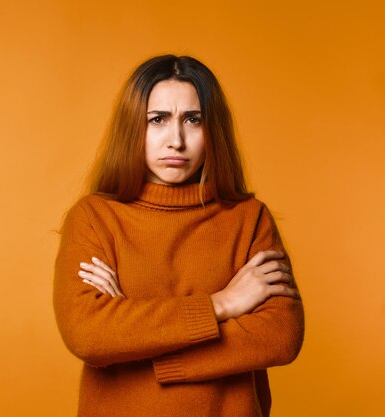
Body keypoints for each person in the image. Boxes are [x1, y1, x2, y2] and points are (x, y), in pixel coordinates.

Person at [52, 55, 305, 417]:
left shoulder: (249, 219)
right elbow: (89, 334)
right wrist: (223, 304)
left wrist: (136, 336)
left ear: (212, 129)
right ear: (132, 128)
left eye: (193, 119)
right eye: (157, 120)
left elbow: (280, 335)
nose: (177, 140)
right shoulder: (94, 218)